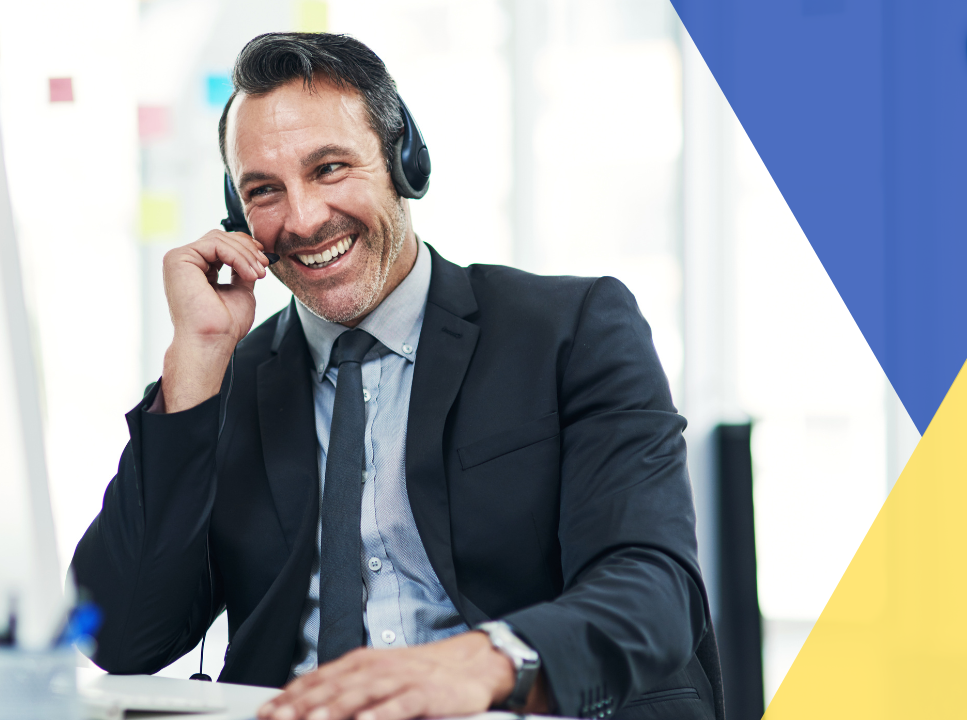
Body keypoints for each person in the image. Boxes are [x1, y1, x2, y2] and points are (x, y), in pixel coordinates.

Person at [72, 32, 722, 720]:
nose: (303, 218)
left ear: (402, 161)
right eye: (264, 190)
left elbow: (653, 588)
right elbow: (120, 639)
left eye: (328, 169)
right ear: (237, 215)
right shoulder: (227, 381)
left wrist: (487, 660)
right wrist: (195, 363)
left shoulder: (569, 328)